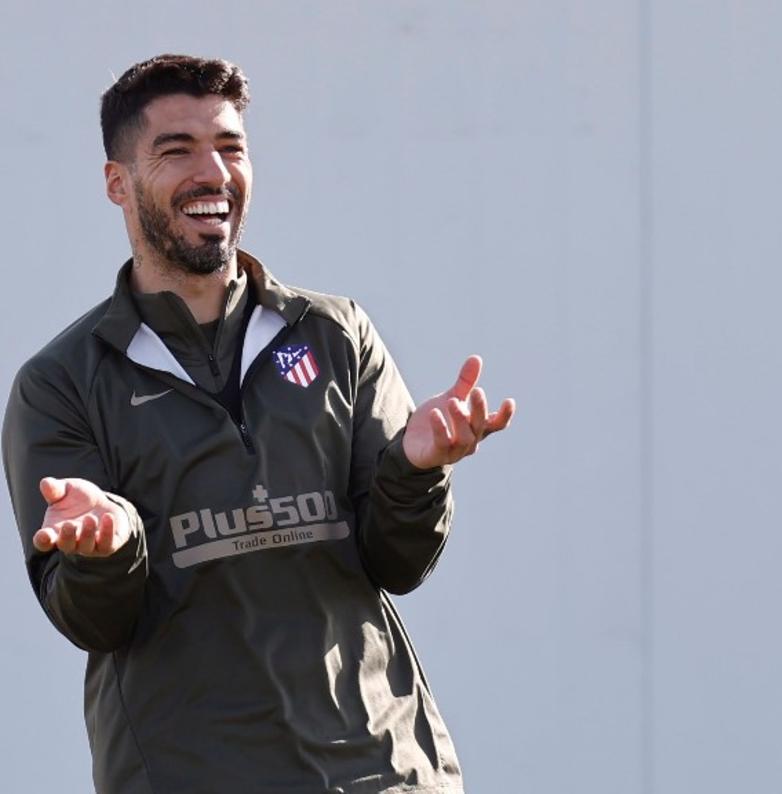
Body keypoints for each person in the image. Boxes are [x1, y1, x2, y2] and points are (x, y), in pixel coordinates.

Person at [1, 53, 513, 794]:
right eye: (177, 150)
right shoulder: (61, 383)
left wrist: (415, 469)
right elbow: (93, 621)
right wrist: (106, 548)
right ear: (118, 183)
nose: (213, 172)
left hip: (384, 771)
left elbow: (400, 561)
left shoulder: (337, 335)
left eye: (230, 147)